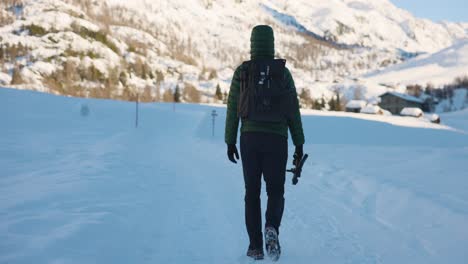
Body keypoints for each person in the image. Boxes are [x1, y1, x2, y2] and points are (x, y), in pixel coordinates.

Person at [224, 25, 305, 261]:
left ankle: (255, 247)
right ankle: (272, 227)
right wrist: (299, 143)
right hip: (277, 140)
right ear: (272, 44)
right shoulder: (283, 73)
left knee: (252, 193)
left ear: (252, 44)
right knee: (275, 190)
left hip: (249, 138)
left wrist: (230, 141)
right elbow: (293, 111)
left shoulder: (243, 71)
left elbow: (232, 109)